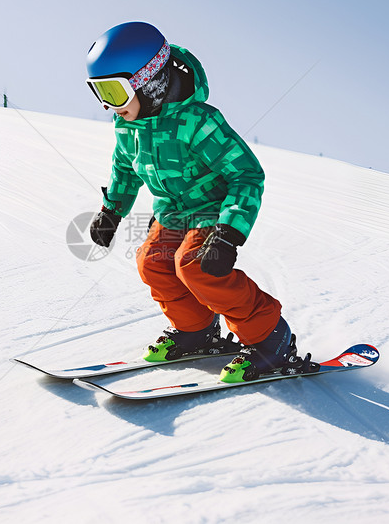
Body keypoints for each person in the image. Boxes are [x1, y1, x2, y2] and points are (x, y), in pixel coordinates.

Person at [84, 21, 317, 382]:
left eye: (114, 92)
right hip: (173, 212)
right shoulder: (126, 127)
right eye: (98, 92)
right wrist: (111, 212)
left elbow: (247, 175)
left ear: (149, 81)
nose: (106, 106)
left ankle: (271, 340)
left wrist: (228, 232)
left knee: (196, 266)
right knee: (152, 262)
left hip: (213, 210)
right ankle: (195, 331)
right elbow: (125, 171)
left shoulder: (198, 121)